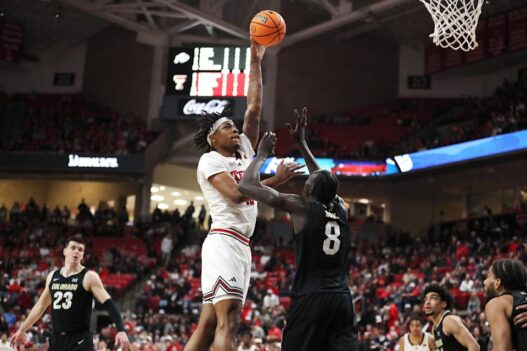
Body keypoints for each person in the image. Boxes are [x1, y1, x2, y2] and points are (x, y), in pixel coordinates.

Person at [185, 39, 302, 351]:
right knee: (230, 322)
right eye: (227, 127)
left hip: (240, 244)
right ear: (212, 137)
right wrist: (268, 167)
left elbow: (254, 106)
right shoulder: (210, 160)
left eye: (234, 126)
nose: (235, 129)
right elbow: (238, 194)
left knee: (209, 324)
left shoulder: (243, 150)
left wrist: (255, 60)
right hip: (224, 240)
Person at [238, 107, 358, 351]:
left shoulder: (301, 207)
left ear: (310, 191)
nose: (305, 184)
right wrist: (302, 144)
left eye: (307, 183)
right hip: (342, 300)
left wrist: (260, 155)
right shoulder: (341, 208)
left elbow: (246, 185)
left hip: (312, 298)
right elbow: (324, 180)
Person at [10, 235, 129, 351]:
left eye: (80, 250)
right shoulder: (53, 276)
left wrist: (121, 330)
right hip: (57, 339)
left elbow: (109, 304)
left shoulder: (89, 277)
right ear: (65, 251)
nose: (76, 252)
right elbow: (40, 306)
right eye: (73, 248)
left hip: (79, 339)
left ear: (83, 255)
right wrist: (22, 329)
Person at [483, 258, 527, 351]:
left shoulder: (497, 303)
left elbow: (502, 349)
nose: (484, 282)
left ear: (497, 283)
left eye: (487, 277)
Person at [423, 283, 479, 351]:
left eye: (433, 298)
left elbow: (474, 347)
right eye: (425, 299)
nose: (427, 302)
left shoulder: (449, 321)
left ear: (443, 304)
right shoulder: (434, 327)